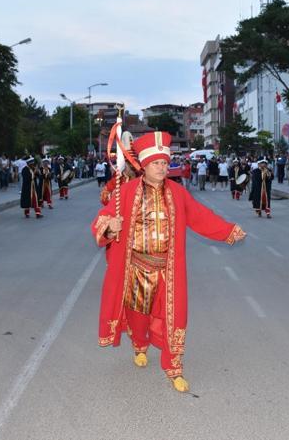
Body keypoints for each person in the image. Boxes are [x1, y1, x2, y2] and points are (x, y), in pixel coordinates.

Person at [91, 131, 246, 393]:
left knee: (174, 317)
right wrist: (110, 227)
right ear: (144, 166)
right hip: (138, 268)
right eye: (156, 164)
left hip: (168, 270)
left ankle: (174, 367)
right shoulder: (126, 191)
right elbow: (101, 220)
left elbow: (201, 217)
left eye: (165, 163)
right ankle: (140, 345)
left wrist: (228, 231)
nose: (162, 168)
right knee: (138, 317)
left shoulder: (177, 192)